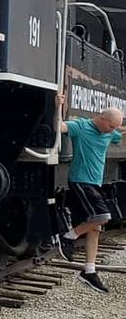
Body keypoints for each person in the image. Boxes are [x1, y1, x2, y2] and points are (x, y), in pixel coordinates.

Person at [56, 96, 124, 294]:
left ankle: (89, 271)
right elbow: (59, 127)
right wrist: (58, 106)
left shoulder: (110, 133)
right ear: (102, 119)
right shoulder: (81, 127)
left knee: (95, 228)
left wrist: (119, 130)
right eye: (111, 126)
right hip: (80, 181)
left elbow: (121, 135)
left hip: (95, 184)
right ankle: (68, 236)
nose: (112, 132)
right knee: (103, 217)